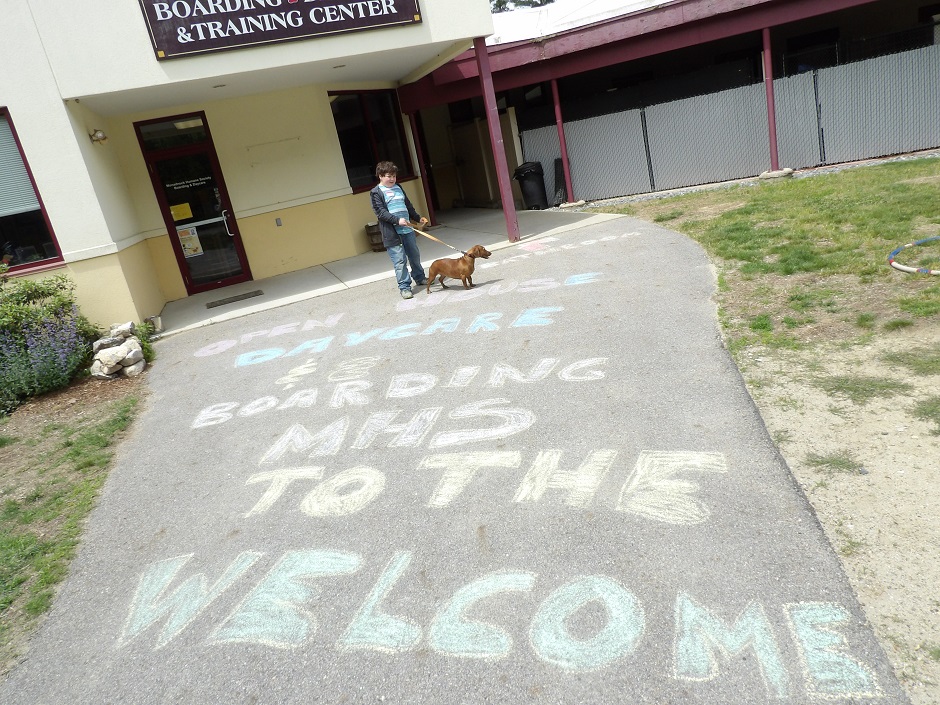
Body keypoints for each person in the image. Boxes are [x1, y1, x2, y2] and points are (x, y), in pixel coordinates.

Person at [370, 161, 429, 299]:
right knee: (400, 261)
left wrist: (417, 218)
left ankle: (420, 278)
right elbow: (380, 212)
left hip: (407, 230)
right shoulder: (376, 192)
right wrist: (397, 220)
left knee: (414, 255)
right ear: (380, 176)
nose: (392, 179)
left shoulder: (398, 187)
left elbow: (408, 205)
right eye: (388, 176)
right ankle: (404, 287)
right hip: (392, 233)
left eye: (394, 176)